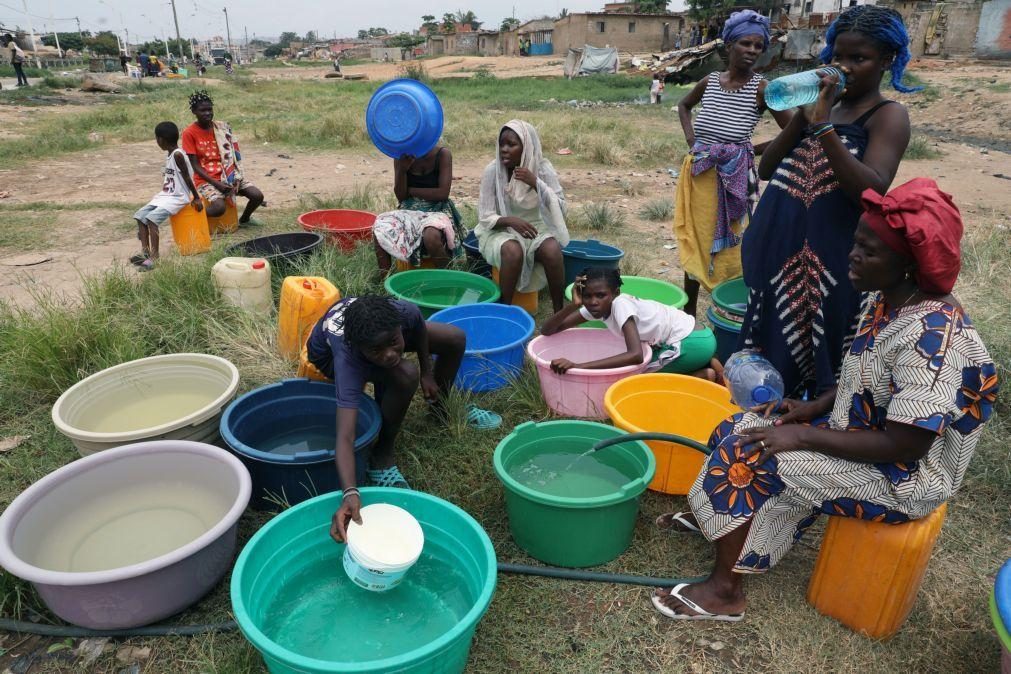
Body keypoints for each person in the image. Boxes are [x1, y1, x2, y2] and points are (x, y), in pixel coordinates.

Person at [651, 178, 998, 622]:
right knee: (736, 427)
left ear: (908, 264)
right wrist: (813, 409)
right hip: (866, 438)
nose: (852, 255)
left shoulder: (932, 341)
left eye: (869, 252)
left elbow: (908, 445)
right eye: (856, 243)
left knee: (752, 454)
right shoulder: (888, 299)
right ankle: (719, 526)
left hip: (904, 477)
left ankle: (725, 593)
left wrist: (803, 436)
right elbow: (870, 380)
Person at [738, 5, 915, 400]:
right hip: (777, 250)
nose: (845, 67)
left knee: (825, 351)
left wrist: (823, 128)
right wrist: (805, 116)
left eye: (859, 58)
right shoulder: (823, 107)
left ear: (886, 60)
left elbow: (870, 189)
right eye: (838, 57)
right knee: (770, 350)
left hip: (830, 261)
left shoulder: (888, 116)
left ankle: (812, 431)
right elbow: (766, 168)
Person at [306, 295, 503, 543]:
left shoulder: (402, 311)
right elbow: (345, 435)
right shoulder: (348, 356)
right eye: (378, 351)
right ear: (360, 348)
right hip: (327, 355)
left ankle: (440, 408)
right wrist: (350, 492)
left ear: (399, 326)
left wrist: (428, 372)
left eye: (393, 342)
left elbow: (418, 326)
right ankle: (381, 457)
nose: (389, 354)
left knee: (454, 338)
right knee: (404, 373)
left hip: (376, 334)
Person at [673, 10, 792, 317]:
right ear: (728, 45)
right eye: (745, 43)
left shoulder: (763, 89)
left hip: (734, 180)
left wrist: (752, 149)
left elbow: (794, 131)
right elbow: (683, 105)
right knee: (697, 241)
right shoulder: (710, 81)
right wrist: (691, 141)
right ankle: (688, 314)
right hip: (699, 175)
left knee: (734, 248)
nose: (752, 50)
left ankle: (732, 312)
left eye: (757, 45)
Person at [542, 267, 719, 379]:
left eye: (601, 295)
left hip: (690, 342)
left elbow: (635, 355)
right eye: (587, 296)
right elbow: (547, 330)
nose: (594, 301)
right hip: (694, 337)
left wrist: (579, 366)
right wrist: (573, 306)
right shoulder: (594, 309)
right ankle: (704, 367)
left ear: (616, 293)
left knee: (633, 380)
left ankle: (701, 373)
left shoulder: (621, 305)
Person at [477, 120, 569, 312]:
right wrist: (511, 220)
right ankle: (504, 310)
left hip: (537, 226)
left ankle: (558, 312)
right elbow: (485, 217)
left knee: (552, 250)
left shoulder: (542, 169)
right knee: (513, 251)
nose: (504, 149)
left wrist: (535, 182)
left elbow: (560, 208)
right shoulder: (493, 171)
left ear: (526, 146)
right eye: (501, 144)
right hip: (499, 229)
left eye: (511, 144)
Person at [373, 145, 467, 273]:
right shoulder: (402, 157)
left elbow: (442, 194)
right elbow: (401, 196)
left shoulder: (442, 154)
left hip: (437, 209)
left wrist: (410, 191)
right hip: (409, 210)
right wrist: (402, 170)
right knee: (380, 227)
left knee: (431, 236)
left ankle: (450, 276)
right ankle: (384, 282)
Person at [181, 90, 265, 224]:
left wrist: (236, 177)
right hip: (207, 180)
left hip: (229, 175)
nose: (207, 113)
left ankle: (244, 220)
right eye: (202, 110)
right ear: (194, 112)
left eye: (209, 109)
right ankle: (194, 220)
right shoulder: (189, 133)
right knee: (219, 208)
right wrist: (217, 184)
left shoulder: (221, 127)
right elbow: (195, 166)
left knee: (257, 196)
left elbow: (232, 156)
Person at [130, 122, 202, 270]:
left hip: (178, 197)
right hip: (166, 195)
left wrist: (196, 197)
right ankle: (145, 253)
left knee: (151, 219)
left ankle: (154, 258)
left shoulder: (177, 155)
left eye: (157, 139)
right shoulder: (170, 154)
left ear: (160, 140)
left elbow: (188, 178)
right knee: (139, 215)